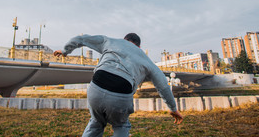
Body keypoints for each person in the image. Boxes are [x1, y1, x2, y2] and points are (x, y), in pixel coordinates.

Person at [54, 33, 183, 137]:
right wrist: (173, 109)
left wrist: (65, 51)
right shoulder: (146, 59)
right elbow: (163, 86)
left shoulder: (110, 41)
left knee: (96, 122)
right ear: (139, 47)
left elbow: (81, 38)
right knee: (122, 125)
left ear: (124, 40)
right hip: (121, 94)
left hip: (96, 87)